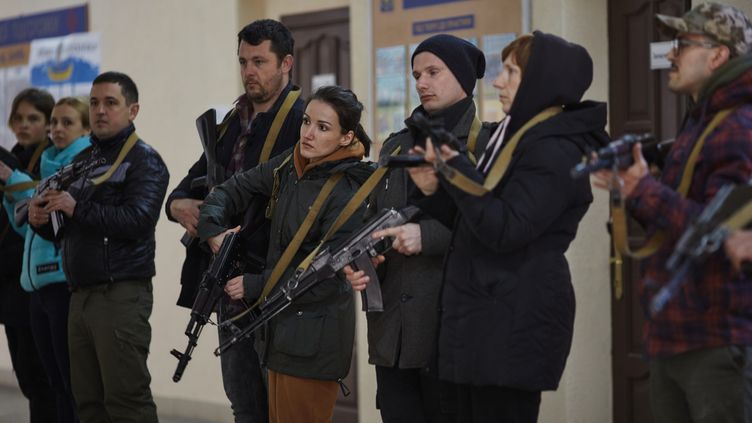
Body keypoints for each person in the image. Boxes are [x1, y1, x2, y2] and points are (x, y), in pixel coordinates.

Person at [406, 32, 608, 422]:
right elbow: (477, 220)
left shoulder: (555, 149)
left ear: (540, 81)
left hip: (510, 326)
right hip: (484, 323)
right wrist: (435, 190)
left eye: (511, 73)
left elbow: (506, 229)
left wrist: (457, 169)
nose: (497, 81)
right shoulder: (515, 137)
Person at [592, 3, 752, 422]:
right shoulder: (700, 121)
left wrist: (644, 190)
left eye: (683, 44)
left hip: (716, 340)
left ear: (718, 55)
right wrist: (633, 192)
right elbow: (680, 220)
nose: (670, 54)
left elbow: (721, 231)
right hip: (676, 336)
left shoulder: (740, 127)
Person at [198, 85, 373, 423]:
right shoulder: (291, 165)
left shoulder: (351, 189)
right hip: (278, 334)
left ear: (345, 137)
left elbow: (325, 276)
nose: (307, 133)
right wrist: (213, 230)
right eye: (307, 121)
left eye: (322, 127)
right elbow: (233, 188)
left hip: (312, 339)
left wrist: (257, 286)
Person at [344, 33, 491, 422]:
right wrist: (364, 258)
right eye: (416, 75)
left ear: (462, 77)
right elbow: (371, 216)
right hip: (393, 329)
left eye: (433, 72)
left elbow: (493, 227)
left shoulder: (483, 146)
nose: (422, 83)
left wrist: (427, 238)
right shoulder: (395, 146)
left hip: (452, 327)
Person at [164, 19, 303, 421]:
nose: (249, 72)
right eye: (243, 61)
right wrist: (180, 208)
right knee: (244, 404)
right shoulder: (228, 123)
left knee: (285, 408)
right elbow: (186, 187)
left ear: (286, 63)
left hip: (276, 283)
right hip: (228, 283)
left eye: (259, 61)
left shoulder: (303, 122)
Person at [31, 71, 169, 423]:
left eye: (111, 102)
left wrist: (76, 206)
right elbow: (69, 231)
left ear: (133, 110)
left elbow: (138, 220)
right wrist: (41, 221)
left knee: (126, 402)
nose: (100, 111)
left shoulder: (144, 160)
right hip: (79, 293)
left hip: (119, 292)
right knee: (88, 403)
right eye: (94, 103)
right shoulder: (83, 162)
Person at [2, 96, 90, 423]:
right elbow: (28, 226)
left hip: (58, 282)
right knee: (45, 381)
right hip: (33, 282)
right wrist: (22, 206)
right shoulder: (47, 164)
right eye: (54, 122)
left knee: (64, 384)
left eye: (66, 123)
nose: (56, 129)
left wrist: (13, 182)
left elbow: (57, 225)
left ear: (85, 129)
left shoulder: (80, 164)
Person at [0, 88, 57, 423]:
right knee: (26, 375)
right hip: (9, 280)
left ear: (49, 124)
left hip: (37, 279)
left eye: (33, 118)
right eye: (18, 118)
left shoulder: (52, 160)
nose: (24, 125)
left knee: (42, 378)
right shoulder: (11, 156)